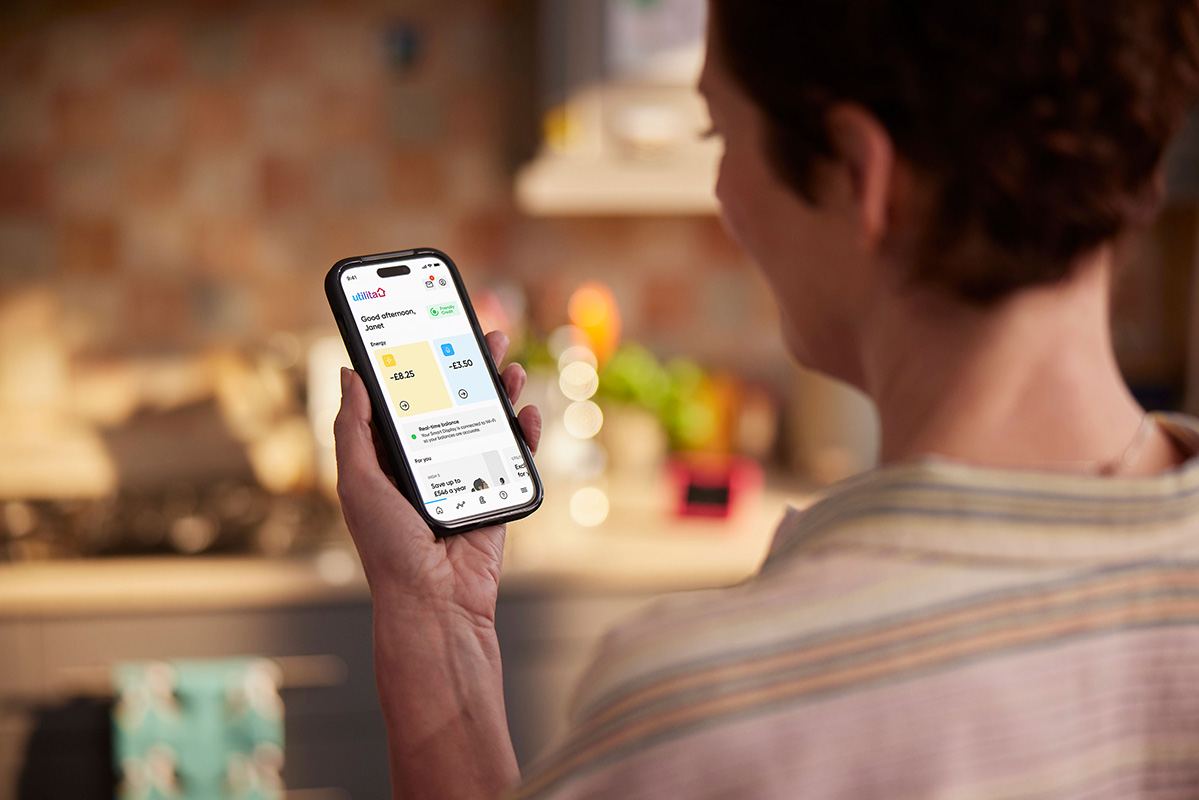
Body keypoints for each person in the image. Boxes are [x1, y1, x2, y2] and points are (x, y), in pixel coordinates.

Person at [333, 0, 1199, 797]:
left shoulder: (712, 721)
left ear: (862, 175)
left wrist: (424, 621)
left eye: (721, 135)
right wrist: (440, 609)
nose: (722, 192)